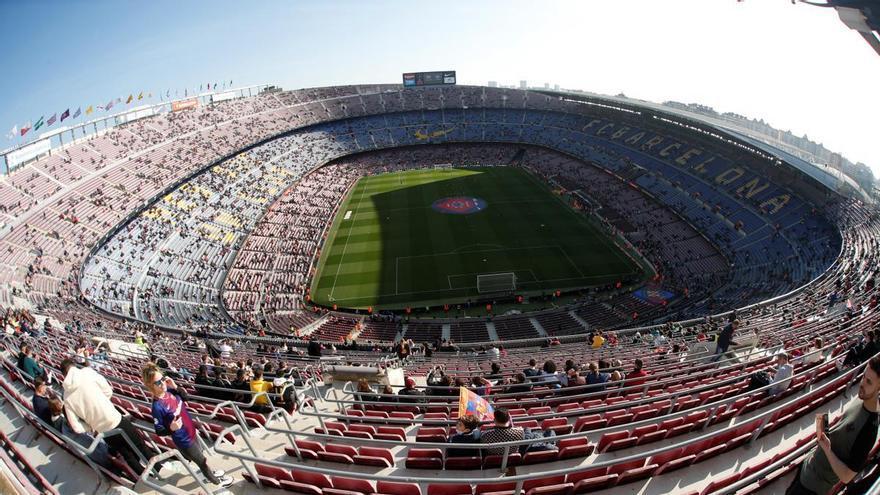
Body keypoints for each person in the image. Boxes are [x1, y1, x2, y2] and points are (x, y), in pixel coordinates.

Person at [787, 356, 880, 495]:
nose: (862, 383)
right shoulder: (861, 398)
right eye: (863, 376)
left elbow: (847, 476)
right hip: (808, 467)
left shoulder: (869, 429)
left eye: (869, 382)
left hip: (813, 487)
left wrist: (827, 450)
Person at [60, 358, 160, 477]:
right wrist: (103, 404)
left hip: (103, 431)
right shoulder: (87, 372)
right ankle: (159, 471)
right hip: (115, 419)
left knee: (128, 456)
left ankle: (148, 479)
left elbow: (76, 427)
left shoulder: (66, 397)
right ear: (74, 366)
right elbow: (108, 391)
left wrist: (91, 425)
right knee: (140, 446)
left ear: (64, 374)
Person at [141, 364, 233, 488]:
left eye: (163, 379)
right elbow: (159, 430)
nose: (162, 383)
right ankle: (217, 482)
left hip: (191, 431)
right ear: (150, 385)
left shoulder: (169, 391)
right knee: (202, 461)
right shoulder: (157, 407)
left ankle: (210, 473)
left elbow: (185, 397)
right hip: (184, 440)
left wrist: (175, 386)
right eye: (158, 382)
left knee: (201, 456)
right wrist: (171, 428)